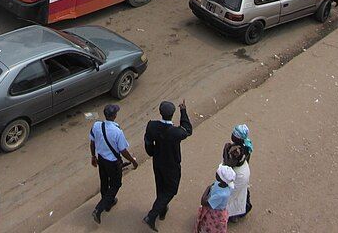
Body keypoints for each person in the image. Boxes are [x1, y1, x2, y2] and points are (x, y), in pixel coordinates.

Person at [143, 100, 192, 231]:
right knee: (171, 190)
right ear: (172, 114)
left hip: (158, 162)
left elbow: (147, 141)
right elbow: (188, 130)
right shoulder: (176, 132)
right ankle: (152, 215)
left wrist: (152, 152)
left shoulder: (152, 126)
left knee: (161, 187)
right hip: (171, 165)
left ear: (160, 112)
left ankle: (162, 210)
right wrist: (183, 111)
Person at [90, 104, 138, 223]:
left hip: (101, 160)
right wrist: (133, 160)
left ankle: (108, 202)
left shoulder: (96, 125)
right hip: (112, 163)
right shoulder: (117, 132)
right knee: (116, 184)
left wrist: (93, 156)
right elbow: (123, 151)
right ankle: (99, 209)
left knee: (104, 182)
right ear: (115, 116)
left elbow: (92, 142)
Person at [222, 124, 252, 222]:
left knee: (230, 195)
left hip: (238, 174)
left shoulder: (236, 151)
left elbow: (229, 164)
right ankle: (238, 212)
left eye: (234, 134)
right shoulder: (246, 145)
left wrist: (225, 151)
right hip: (244, 170)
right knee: (240, 194)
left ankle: (227, 216)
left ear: (237, 138)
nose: (232, 135)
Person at [194, 165, 235, 233]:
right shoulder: (223, 185)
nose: (216, 172)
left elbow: (203, 202)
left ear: (222, 179)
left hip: (214, 213)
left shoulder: (220, 195)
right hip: (215, 207)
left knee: (210, 226)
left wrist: (208, 188)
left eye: (218, 173)